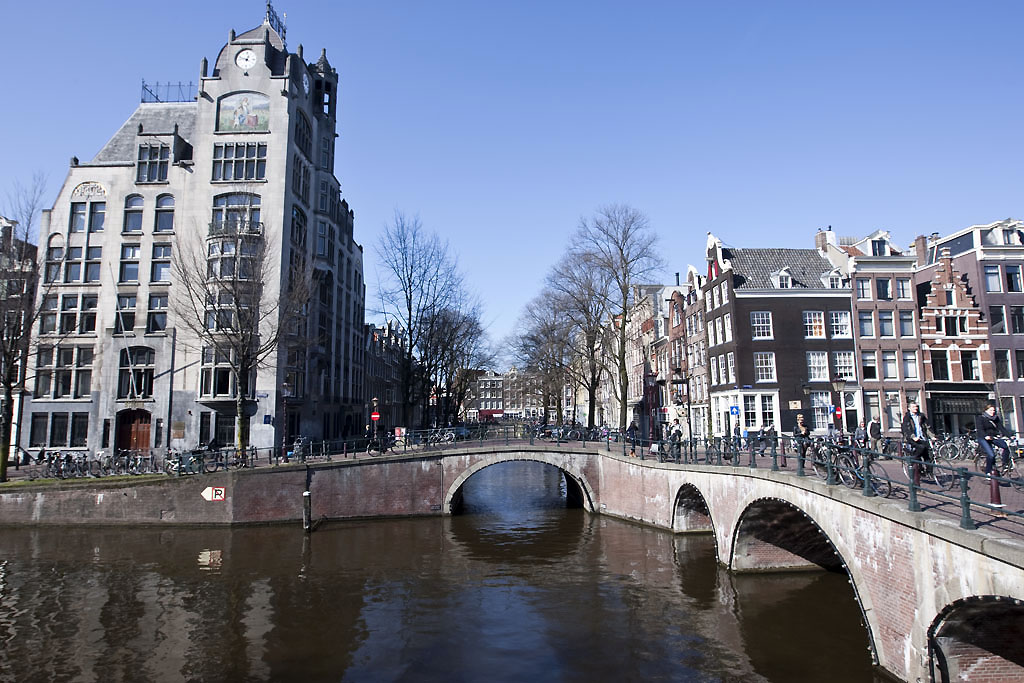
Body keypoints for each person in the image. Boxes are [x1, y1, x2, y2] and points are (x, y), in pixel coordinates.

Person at [977, 402, 1012, 476]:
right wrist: (986, 436)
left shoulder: (995, 418)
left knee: (1006, 446)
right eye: (990, 410)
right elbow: (980, 429)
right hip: (983, 438)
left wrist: (1010, 436)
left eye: (993, 410)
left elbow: (1001, 428)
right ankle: (988, 472)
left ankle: (1005, 464)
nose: (992, 412)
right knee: (991, 455)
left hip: (993, 437)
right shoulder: (981, 418)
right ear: (986, 410)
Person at [901, 401, 933, 473]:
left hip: (922, 438)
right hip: (911, 439)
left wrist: (932, 436)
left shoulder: (921, 416)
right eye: (913, 407)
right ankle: (913, 461)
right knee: (921, 448)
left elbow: (927, 427)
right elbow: (907, 429)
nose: (916, 408)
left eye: (916, 406)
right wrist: (913, 437)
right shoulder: (907, 417)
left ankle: (929, 472)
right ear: (909, 408)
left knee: (928, 455)